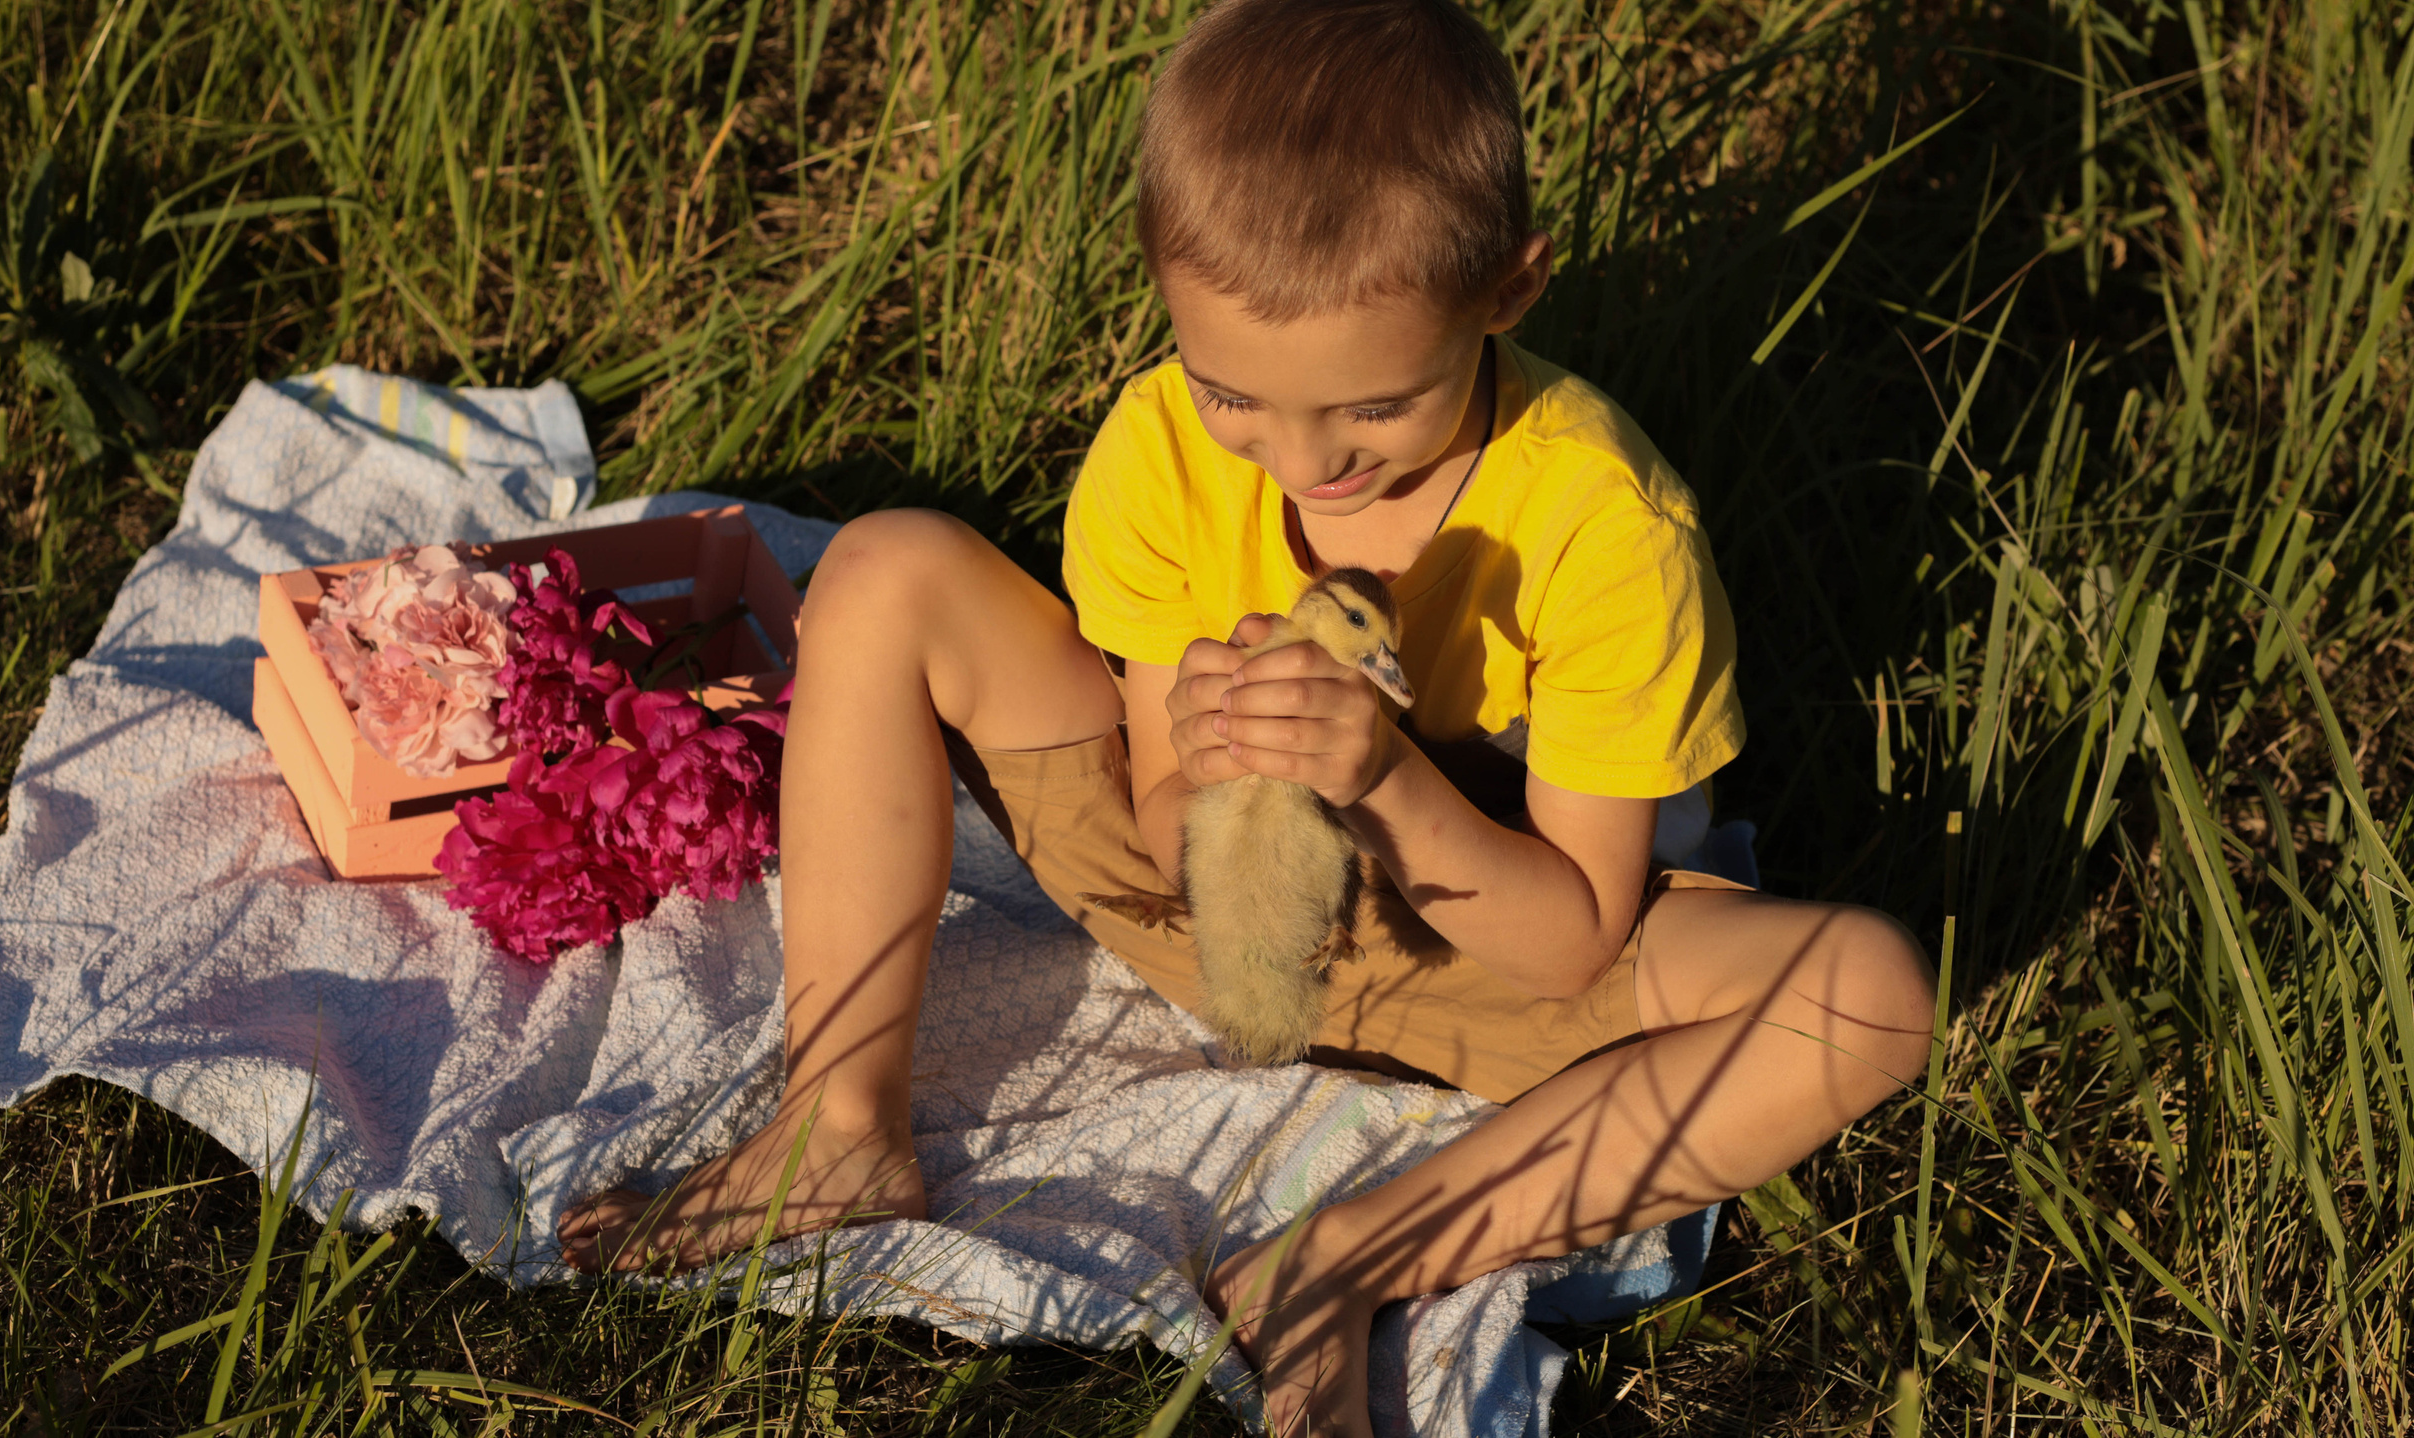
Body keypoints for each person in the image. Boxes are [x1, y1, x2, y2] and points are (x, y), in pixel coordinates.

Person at [560, 1, 1936, 1431]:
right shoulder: (1162, 448)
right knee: (888, 562)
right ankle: (840, 1118)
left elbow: (1577, 934)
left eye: (1375, 408)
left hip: (1498, 957)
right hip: (1217, 910)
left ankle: (1344, 1259)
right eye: (1235, 395)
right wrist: (1205, 773)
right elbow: (1158, 833)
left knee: (1868, 994)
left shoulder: (1604, 531)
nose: (1304, 461)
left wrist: (1389, 782)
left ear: (1512, 287)